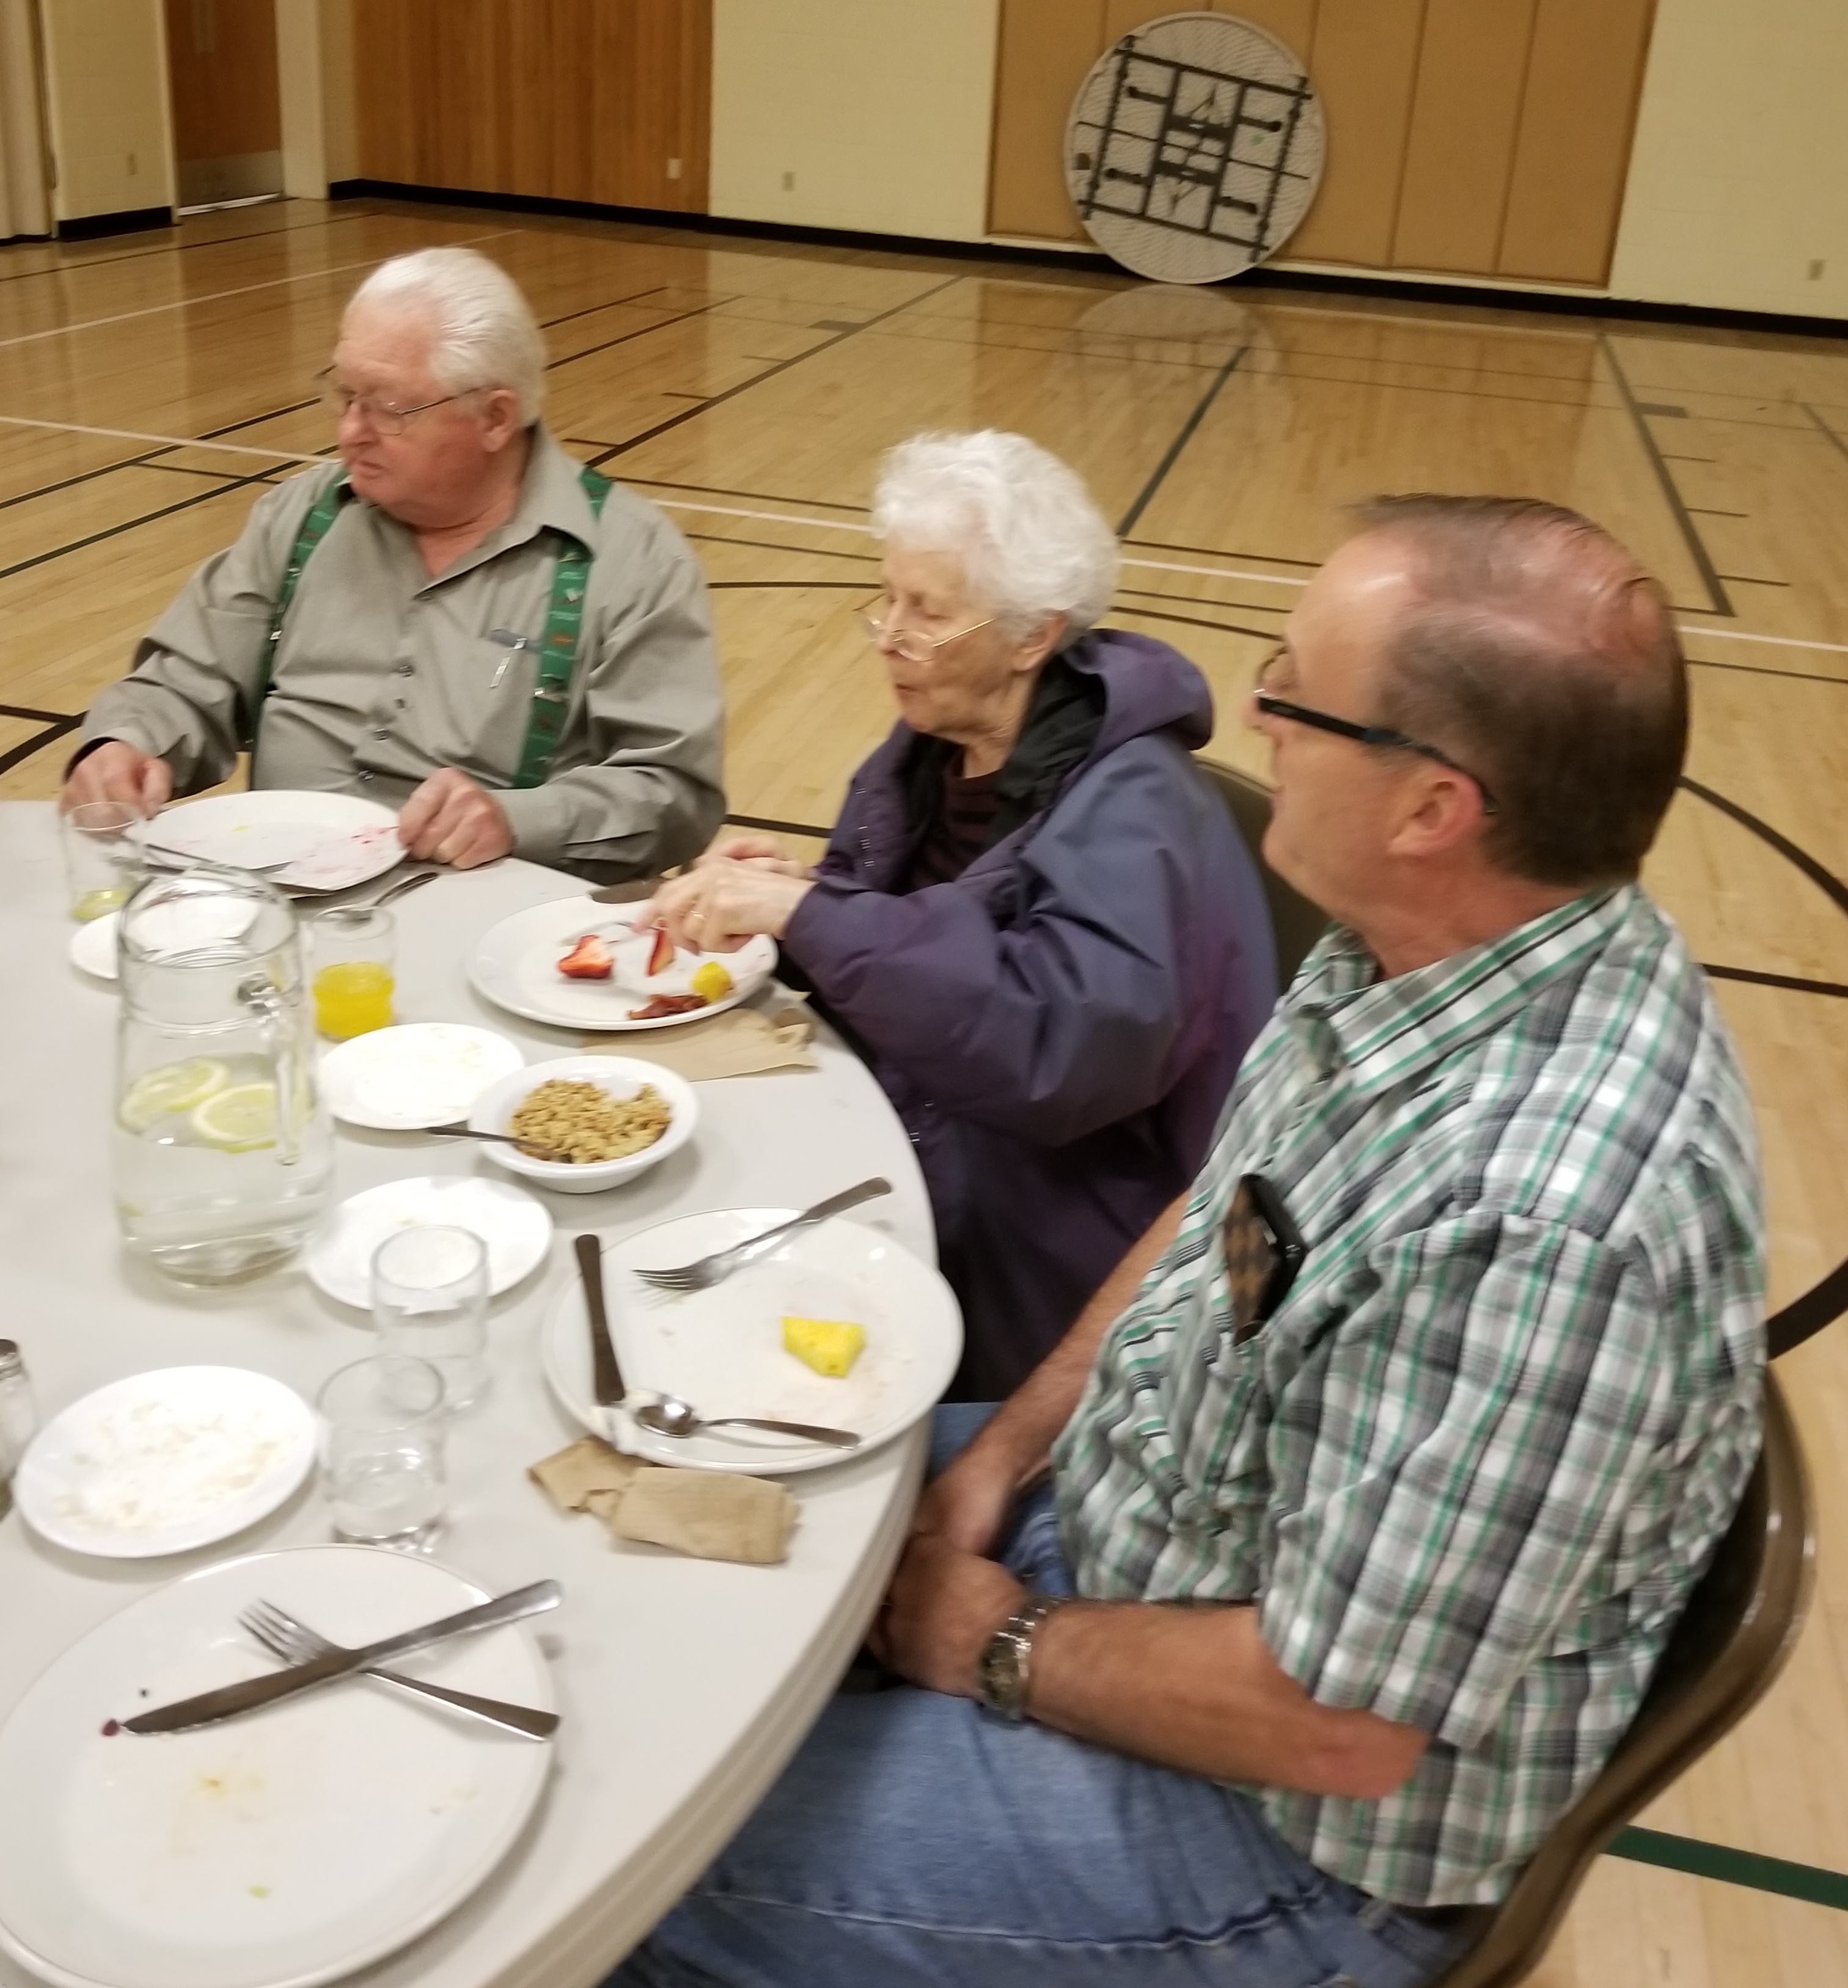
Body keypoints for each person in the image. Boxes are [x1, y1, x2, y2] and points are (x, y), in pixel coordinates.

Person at [614, 494, 1766, 1988]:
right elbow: (1224, 1218)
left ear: (1432, 810)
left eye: (1295, 691)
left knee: (637, 1853)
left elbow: (1337, 1725)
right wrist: (1000, 1461)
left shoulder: (1546, 1219)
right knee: (670, 1526)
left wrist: (998, 1640)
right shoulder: (1414, 953)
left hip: (1278, 1832)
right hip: (1138, 1545)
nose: (1258, 716)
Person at [645, 430, 1277, 1399]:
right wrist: (792, 900)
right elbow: (916, 940)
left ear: (1031, 637)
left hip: (1050, 1268)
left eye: (928, 612)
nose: (889, 636)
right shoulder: (934, 751)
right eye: (888, 599)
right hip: (917, 1160)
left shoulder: (1137, 809)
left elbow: (1052, 1047)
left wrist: (818, 917)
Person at [62, 247, 724, 877]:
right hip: (269, 894)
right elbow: (187, 680)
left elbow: (673, 792)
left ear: (496, 418)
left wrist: (517, 821)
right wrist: (128, 743)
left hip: (484, 918)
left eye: (387, 407)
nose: (350, 431)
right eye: (344, 395)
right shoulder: (299, 518)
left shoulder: (629, 561)